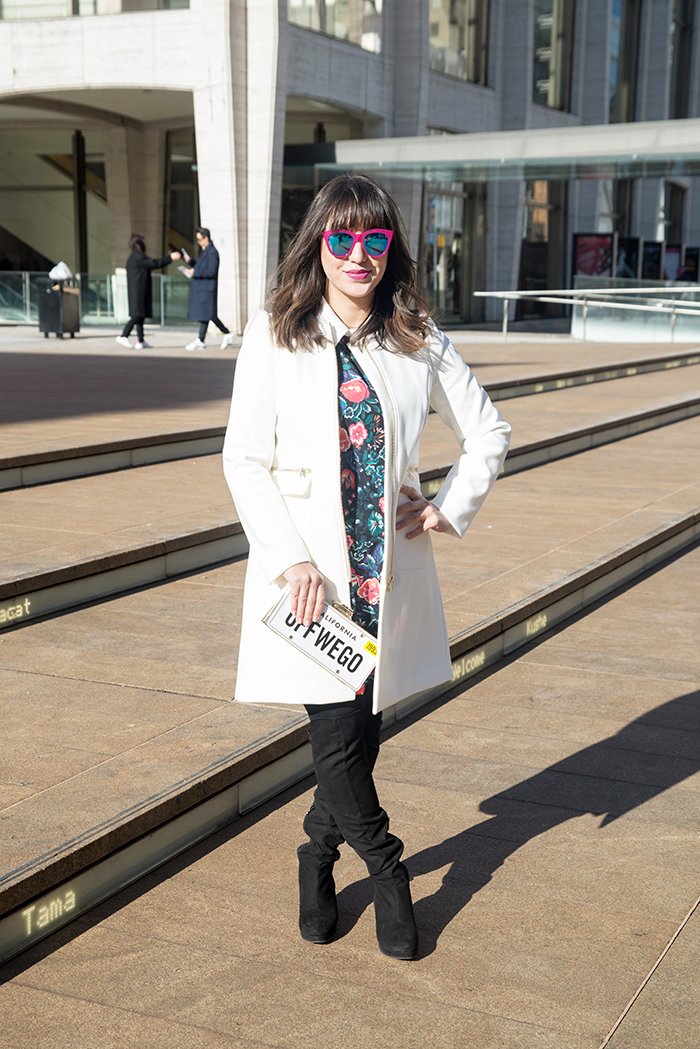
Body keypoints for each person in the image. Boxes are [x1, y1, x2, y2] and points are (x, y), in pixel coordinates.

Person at [222, 174, 510, 960]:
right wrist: (290, 561)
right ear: (319, 242)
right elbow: (244, 460)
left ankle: (316, 856)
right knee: (341, 740)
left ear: (391, 249)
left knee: (354, 742)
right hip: (316, 587)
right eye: (342, 238)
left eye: (374, 240)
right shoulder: (276, 332)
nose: (359, 255)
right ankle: (390, 868)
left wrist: (446, 506)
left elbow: (490, 432)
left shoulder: (415, 334)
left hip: (390, 579)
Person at [116, 234, 180, 349]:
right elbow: (154, 263)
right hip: (138, 291)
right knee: (136, 316)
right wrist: (170, 258)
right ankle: (123, 335)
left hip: (137, 290)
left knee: (140, 316)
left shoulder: (133, 257)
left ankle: (140, 340)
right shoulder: (138, 257)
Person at [181, 226, 235, 351]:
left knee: (208, 314)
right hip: (204, 289)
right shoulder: (206, 251)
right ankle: (219, 335)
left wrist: (194, 273)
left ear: (206, 238)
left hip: (207, 289)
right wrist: (191, 262)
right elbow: (201, 267)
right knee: (208, 315)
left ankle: (205, 338)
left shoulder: (212, 252)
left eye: (200, 240)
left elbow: (210, 271)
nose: (199, 243)